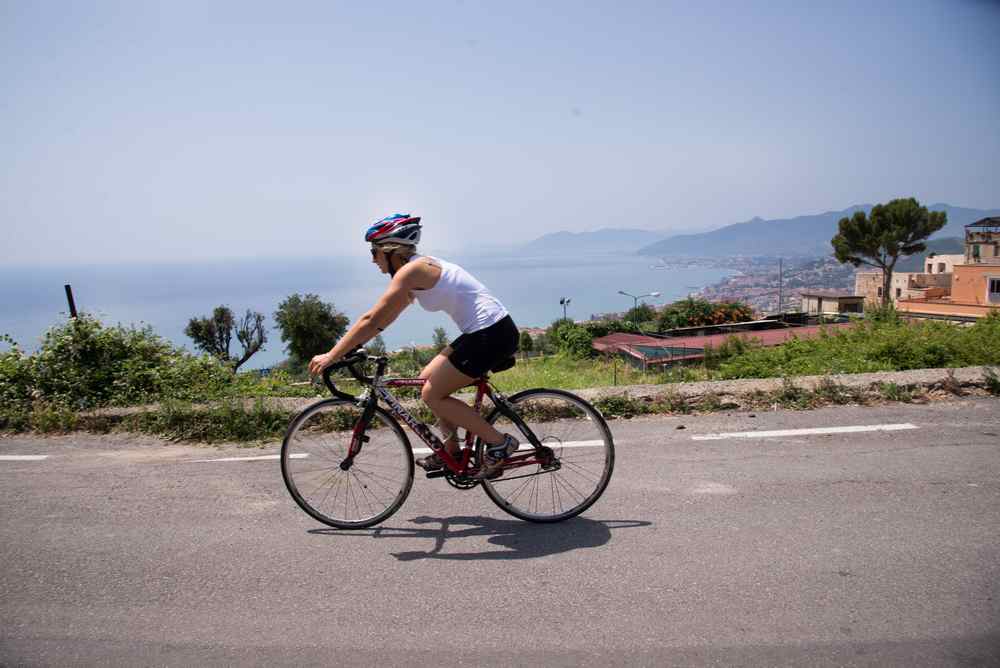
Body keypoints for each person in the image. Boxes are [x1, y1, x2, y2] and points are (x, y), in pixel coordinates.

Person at [308, 213, 520, 479]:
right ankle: (452, 452)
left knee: (433, 394)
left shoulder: (412, 271)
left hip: (491, 334)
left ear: (391, 250)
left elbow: (370, 319)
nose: (373, 259)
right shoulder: (413, 272)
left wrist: (332, 355)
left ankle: (500, 444)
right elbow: (383, 320)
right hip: (483, 331)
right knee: (426, 379)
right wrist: (352, 347)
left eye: (374, 252)